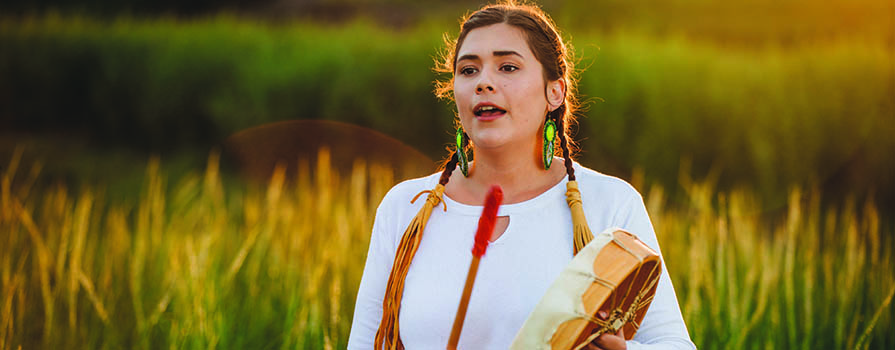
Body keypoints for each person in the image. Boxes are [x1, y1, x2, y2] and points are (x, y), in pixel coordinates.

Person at [348, 1, 696, 349]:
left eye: (508, 67)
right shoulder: (405, 208)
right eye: (468, 70)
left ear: (554, 92)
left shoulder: (609, 205)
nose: (484, 82)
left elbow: (674, 344)